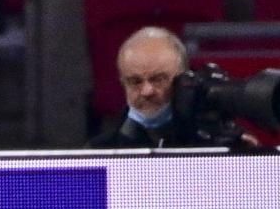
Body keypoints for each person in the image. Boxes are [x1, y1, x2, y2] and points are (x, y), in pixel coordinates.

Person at [85, 26, 257, 149]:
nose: (147, 91)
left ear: (185, 80)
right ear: (123, 84)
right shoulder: (100, 151)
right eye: (135, 81)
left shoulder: (223, 144)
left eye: (158, 79)